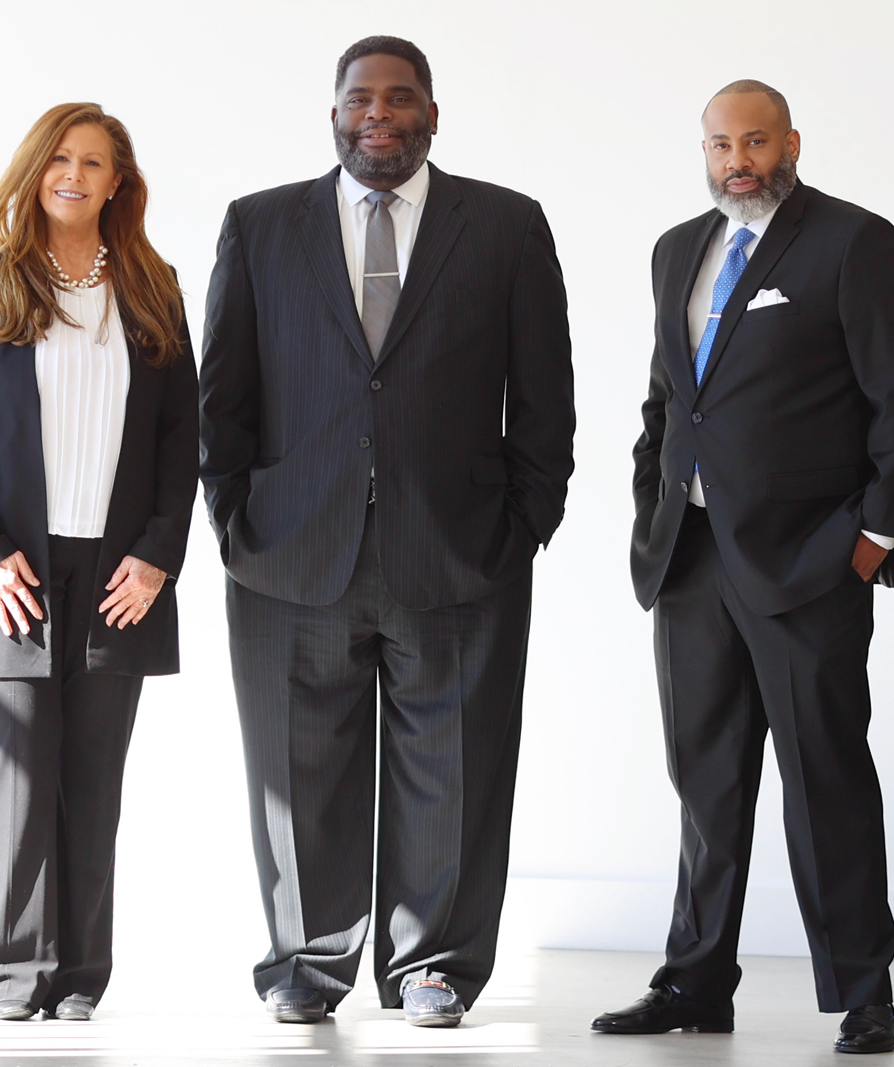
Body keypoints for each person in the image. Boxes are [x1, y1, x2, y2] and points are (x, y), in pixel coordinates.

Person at [199, 35, 574, 1030]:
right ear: (332, 114)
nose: (379, 113)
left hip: (460, 550)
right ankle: (304, 961)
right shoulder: (259, 224)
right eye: (360, 97)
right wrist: (234, 519)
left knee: (454, 769)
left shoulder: (504, 225)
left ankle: (434, 965)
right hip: (289, 551)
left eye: (400, 97)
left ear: (432, 115)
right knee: (295, 772)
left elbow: (545, 395)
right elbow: (222, 393)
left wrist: (522, 525)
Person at [596, 80, 894, 1054]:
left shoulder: (852, 242)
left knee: (824, 775)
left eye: (754, 141)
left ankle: (862, 991)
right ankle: (695, 980)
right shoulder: (678, 248)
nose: (736, 161)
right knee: (704, 782)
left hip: (809, 560)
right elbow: (670, 399)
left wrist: (876, 535)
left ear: (790, 142)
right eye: (719, 144)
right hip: (690, 557)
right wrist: (653, 508)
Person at [0, 102, 197, 1022]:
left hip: (119, 576)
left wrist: (158, 556)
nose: (73, 176)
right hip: (13, 576)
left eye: (92, 162)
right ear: (35, 170)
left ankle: (80, 976)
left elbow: (181, 438)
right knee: (17, 779)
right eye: (59, 159)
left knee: (92, 782)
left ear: (118, 181)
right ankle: (13, 977)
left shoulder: (155, 288)